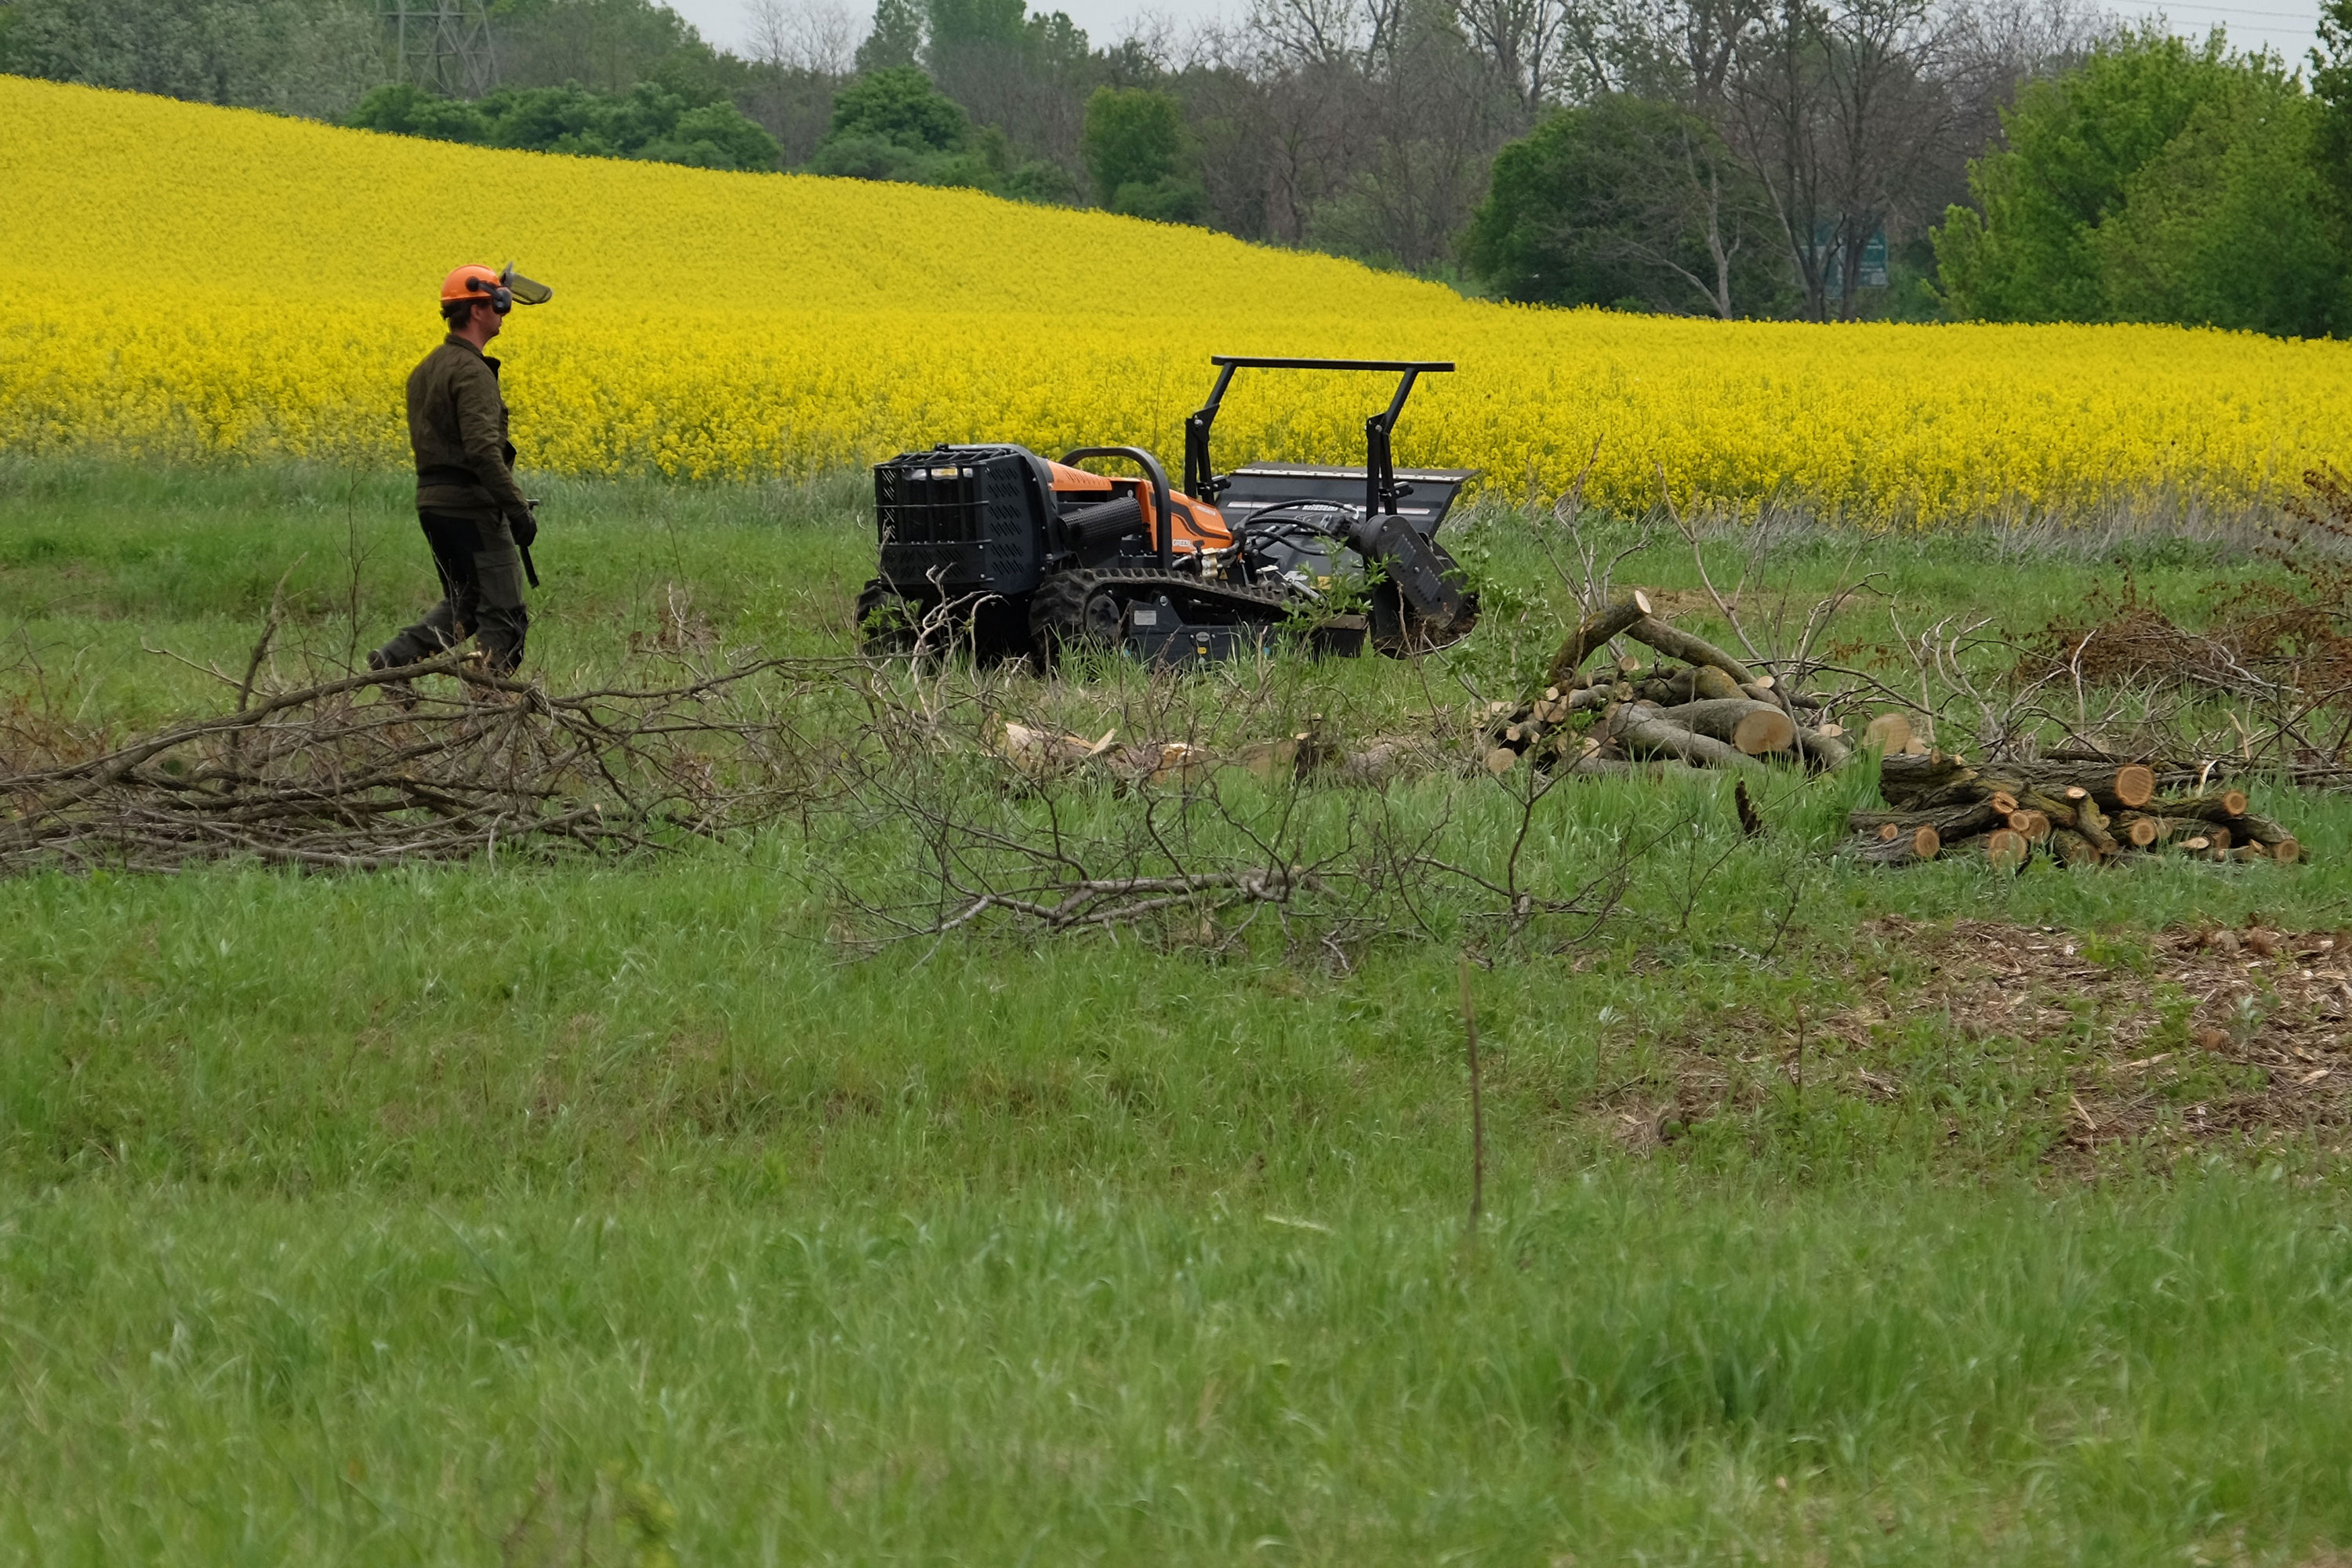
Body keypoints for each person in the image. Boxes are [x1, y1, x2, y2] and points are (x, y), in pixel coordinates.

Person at [369, 263, 554, 681]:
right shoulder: (472, 371)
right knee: (504, 617)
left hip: (433, 505)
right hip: (472, 509)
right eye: (499, 305)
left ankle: (391, 661)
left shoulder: (426, 369)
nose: (504, 314)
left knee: (465, 605)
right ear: (477, 310)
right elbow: (483, 451)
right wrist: (517, 510)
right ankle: (488, 714)